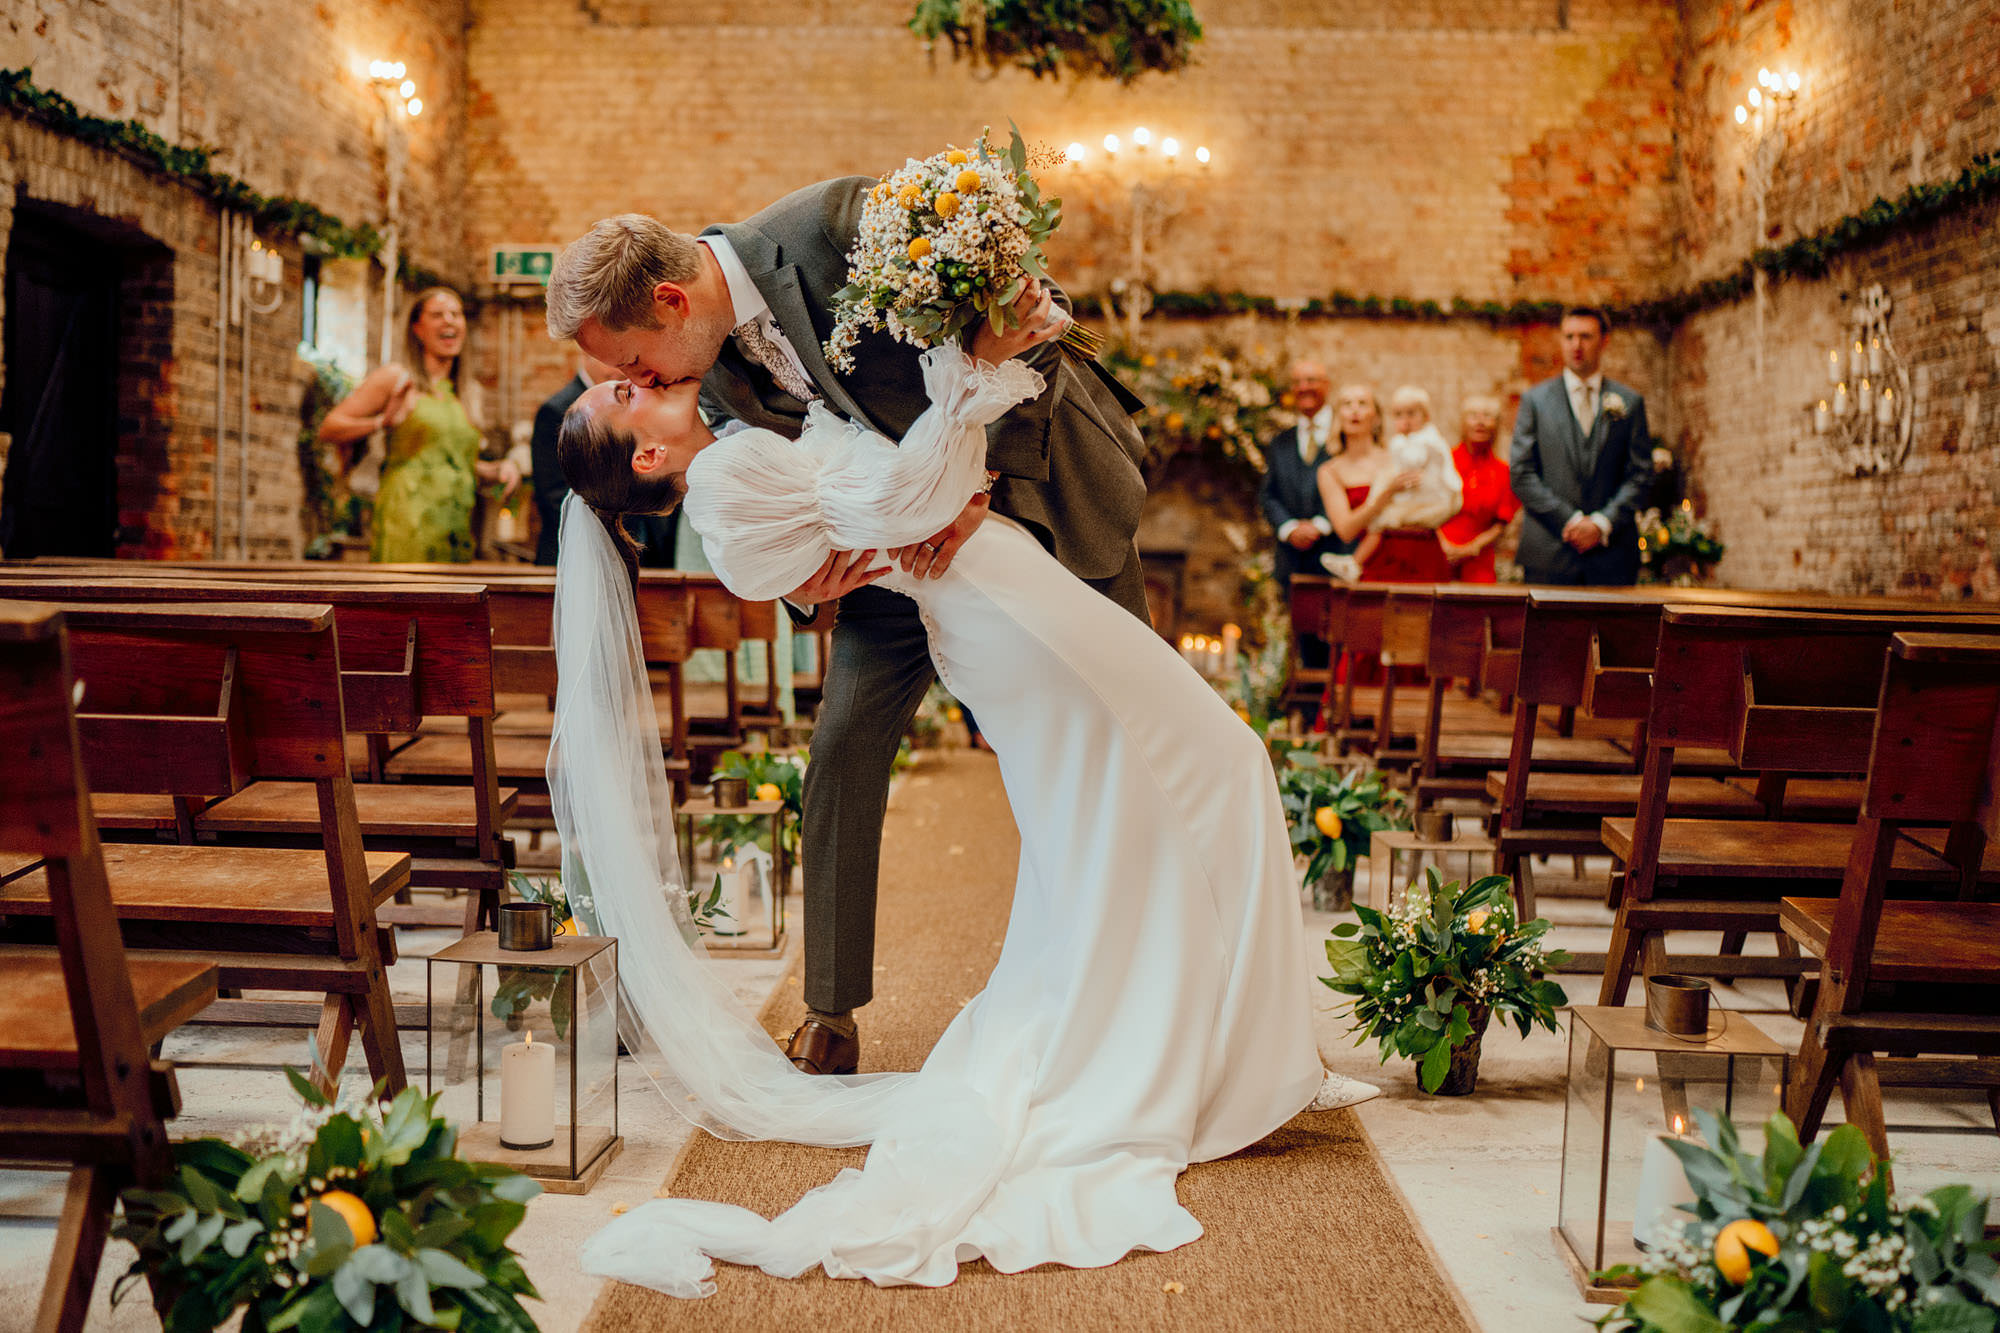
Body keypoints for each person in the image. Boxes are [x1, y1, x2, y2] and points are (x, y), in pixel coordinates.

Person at [545, 282, 1376, 1299]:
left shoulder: (735, 445)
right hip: (994, 606)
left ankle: (1237, 1051)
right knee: (1169, 791)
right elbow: (900, 506)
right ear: (643, 457)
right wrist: (970, 373)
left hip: (1001, 587)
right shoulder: (725, 490)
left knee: (1158, 800)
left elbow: (860, 495)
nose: (635, 379)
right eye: (620, 396)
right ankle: (1218, 1061)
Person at [545, 194, 1153, 1078]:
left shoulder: (841, 223)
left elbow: (1030, 305)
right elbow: (772, 493)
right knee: (840, 748)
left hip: (1039, 490)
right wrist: (800, 581)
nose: (648, 383)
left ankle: (1143, 977)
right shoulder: (699, 373)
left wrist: (972, 476)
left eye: (635, 362)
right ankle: (830, 1011)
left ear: (672, 303)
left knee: (1133, 728)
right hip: (888, 563)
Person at [318, 287, 519, 563]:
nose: (449, 321)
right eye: (437, 315)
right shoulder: (397, 378)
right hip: (407, 520)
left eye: (456, 314)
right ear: (417, 328)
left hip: (456, 523)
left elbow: (452, 460)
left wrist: (497, 470)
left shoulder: (467, 392)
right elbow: (329, 427)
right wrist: (381, 422)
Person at [1509, 306, 1654, 585]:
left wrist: (1602, 523)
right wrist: (1570, 521)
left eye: (1586, 337)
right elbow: (1521, 473)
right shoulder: (1535, 402)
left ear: (1604, 340)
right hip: (1549, 554)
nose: (1577, 345)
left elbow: (1641, 474)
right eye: (1569, 337)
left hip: (1612, 556)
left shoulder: (1629, 402)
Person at [529, 350, 676, 566]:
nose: (621, 370)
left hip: (646, 552)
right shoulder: (556, 411)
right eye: (612, 359)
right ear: (587, 354)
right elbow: (554, 495)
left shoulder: (637, 405)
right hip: (580, 555)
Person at [1313, 384, 1448, 583]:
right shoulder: (1329, 471)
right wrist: (1386, 494)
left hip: (1423, 554)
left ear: (1376, 416)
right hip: (1376, 567)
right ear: (1338, 417)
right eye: (1347, 404)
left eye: (1362, 403)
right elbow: (1346, 531)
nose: (1355, 410)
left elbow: (1427, 499)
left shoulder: (1401, 455)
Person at [1438, 394, 1519, 583]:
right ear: (1462, 423)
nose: (1480, 422)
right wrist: (1443, 544)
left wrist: (1471, 548)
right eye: (1473, 416)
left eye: (1487, 416)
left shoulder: (1503, 472)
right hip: (1439, 554)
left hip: (1478, 561)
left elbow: (1501, 523)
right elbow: (1425, 509)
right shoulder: (1444, 462)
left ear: (1496, 425)